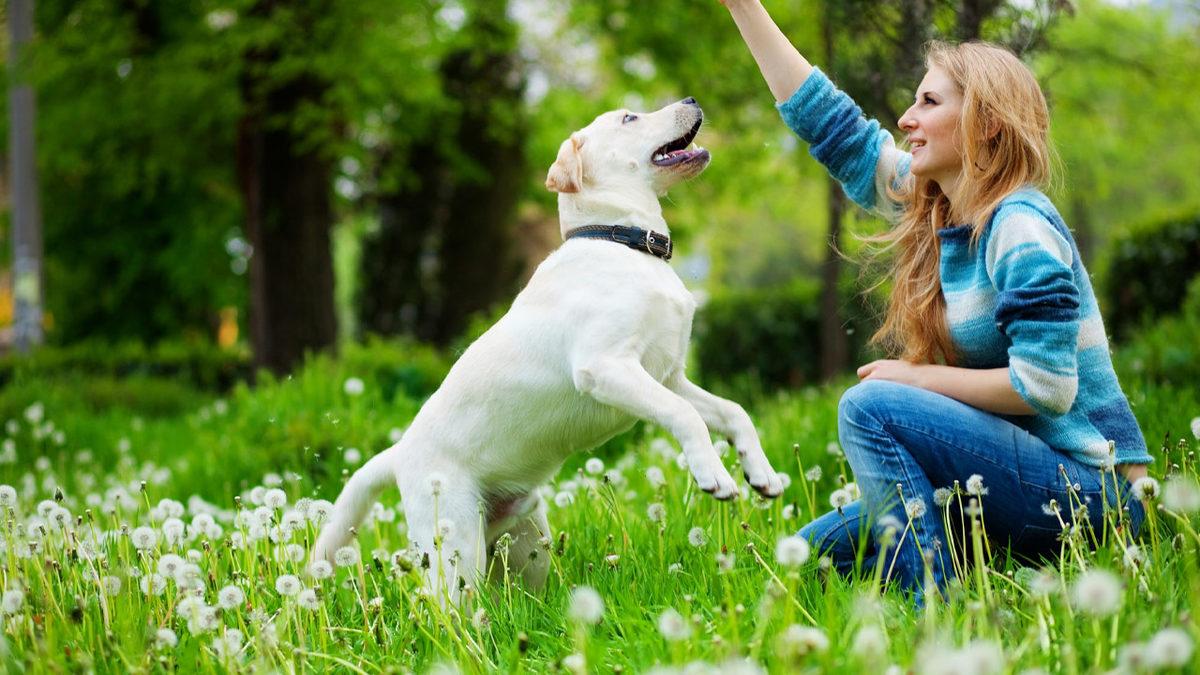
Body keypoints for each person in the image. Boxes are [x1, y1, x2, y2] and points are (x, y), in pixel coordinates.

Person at [719, 0, 1150, 603]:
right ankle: (962, 564)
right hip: (1004, 478)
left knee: (868, 407)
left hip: (1090, 496)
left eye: (929, 103)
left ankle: (937, 608)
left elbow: (1046, 388)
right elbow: (834, 128)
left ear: (988, 122)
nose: (905, 119)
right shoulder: (939, 208)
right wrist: (744, 7)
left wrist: (920, 380)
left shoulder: (1019, 226)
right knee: (807, 562)